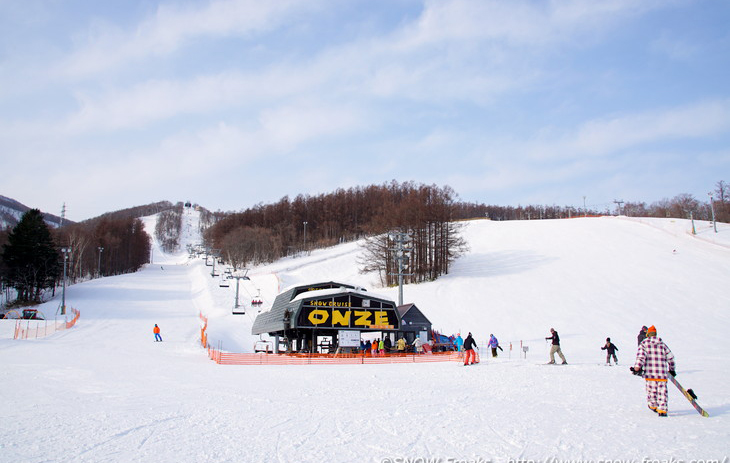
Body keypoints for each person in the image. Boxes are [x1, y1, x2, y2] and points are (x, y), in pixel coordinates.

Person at [630, 325, 675, 417]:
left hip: (650, 374)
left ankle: (653, 406)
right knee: (662, 392)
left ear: (648, 334)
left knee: (651, 391)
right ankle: (662, 410)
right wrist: (672, 369)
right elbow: (670, 357)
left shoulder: (644, 344)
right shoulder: (662, 344)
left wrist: (636, 368)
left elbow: (641, 357)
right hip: (662, 374)